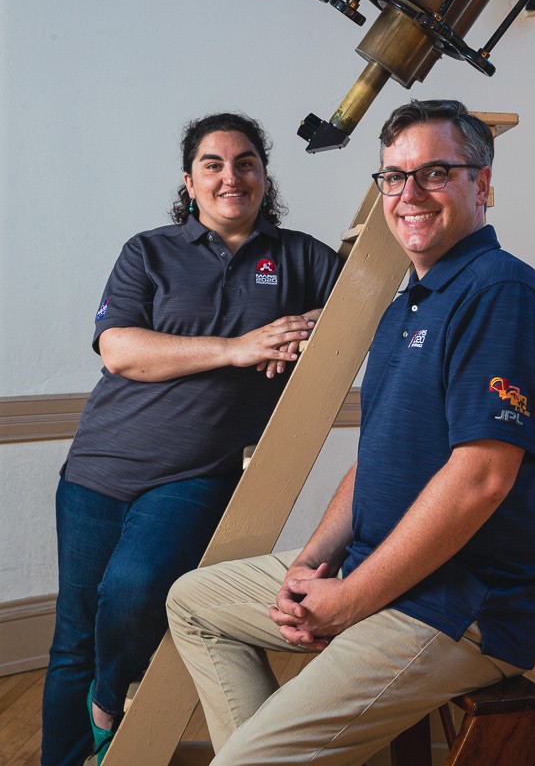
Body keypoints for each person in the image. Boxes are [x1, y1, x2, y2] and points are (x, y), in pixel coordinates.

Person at [166, 99, 535, 766]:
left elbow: (479, 481)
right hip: (378, 569)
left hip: (459, 605)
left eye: (434, 172)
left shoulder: (499, 292)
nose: (408, 194)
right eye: (393, 176)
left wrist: (351, 600)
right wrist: (313, 561)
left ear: (483, 185)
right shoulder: (405, 304)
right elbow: (376, 457)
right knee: (192, 601)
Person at [41, 112, 342, 766]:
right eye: (213, 164)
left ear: (264, 176)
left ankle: (109, 696)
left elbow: (371, 302)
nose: (230, 176)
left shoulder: (298, 257)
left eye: (245, 163)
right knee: (71, 637)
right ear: (189, 180)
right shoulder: (147, 251)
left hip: (195, 473)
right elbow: (120, 350)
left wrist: (302, 329)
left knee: (138, 587)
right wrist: (237, 349)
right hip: (96, 468)